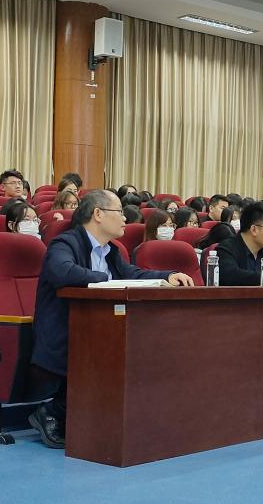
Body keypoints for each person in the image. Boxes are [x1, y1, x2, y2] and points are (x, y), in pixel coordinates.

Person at [30, 190, 194, 448]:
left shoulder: (111, 251)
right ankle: (52, 411)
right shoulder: (64, 244)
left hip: (99, 330)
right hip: (64, 332)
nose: (125, 218)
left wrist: (167, 276)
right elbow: (63, 271)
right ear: (98, 214)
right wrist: (107, 280)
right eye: (119, 212)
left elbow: (132, 274)